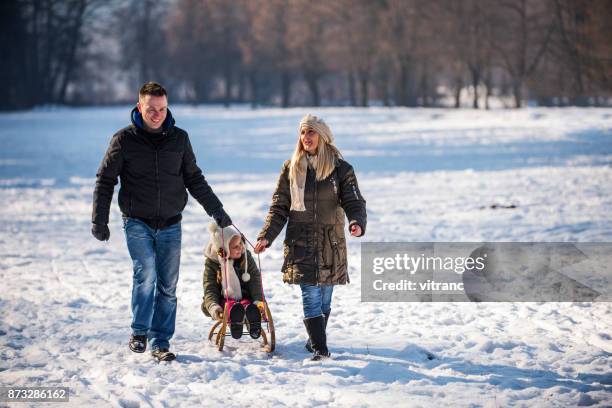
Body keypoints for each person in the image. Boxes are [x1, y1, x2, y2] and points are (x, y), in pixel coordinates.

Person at [91, 82, 232, 362]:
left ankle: (161, 341)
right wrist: (100, 220)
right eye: (151, 109)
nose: (157, 114)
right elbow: (105, 180)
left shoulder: (179, 139)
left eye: (162, 108)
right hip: (137, 221)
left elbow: (194, 179)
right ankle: (139, 332)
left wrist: (217, 211)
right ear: (139, 106)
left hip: (170, 223)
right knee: (146, 275)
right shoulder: (124, 140)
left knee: (168, 286)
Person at [254, 114, 367, 360]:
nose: (306, 137)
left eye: (311, 132)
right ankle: (320, 349)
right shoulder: (291, 167)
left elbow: (354, 201)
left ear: (322, 137)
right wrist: (266, 236)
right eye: (303, 133)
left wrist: (356, 221)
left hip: (330, 241)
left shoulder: (341, 169)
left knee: (325, 296)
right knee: (311, 293)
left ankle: (315, 339)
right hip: (301, 240)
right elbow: (279, 207)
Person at [202, 223, 264, 340]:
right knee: (229, 306)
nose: (240, 247)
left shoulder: (245, 257)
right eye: (235, 246)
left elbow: (255, 280)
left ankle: (252, 319)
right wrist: (213, 306)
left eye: (241, 243)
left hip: (245, 296)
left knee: (246, 304)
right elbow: (209, 287)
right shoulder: (212, 264)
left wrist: (258, 300)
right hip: (222, 299)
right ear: (224, 249)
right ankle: (236, 321)